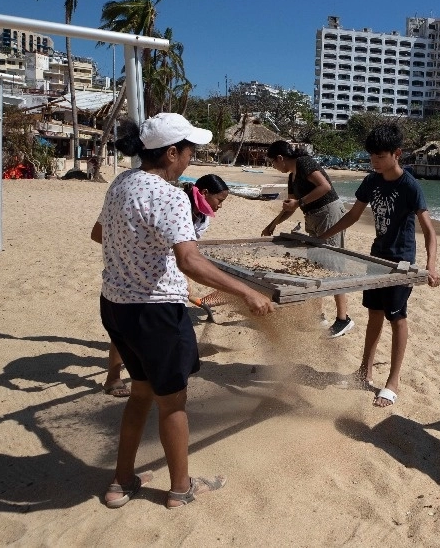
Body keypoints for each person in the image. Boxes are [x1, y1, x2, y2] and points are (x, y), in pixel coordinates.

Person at [91, 113, 274, 509]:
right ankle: (180, 489)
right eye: (191, 149)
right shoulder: (170, 195)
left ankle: (120, 482)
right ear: (172, 152)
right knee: (173, 403)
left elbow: (98, 233)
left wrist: (135, 253)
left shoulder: (122, 183)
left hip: (116, 306)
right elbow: (190, 261)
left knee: (140, 393)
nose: (192, 157)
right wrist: (247, 292)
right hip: (156, 314)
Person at [317, 124, 440, 407]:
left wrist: (431, 266)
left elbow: (429, 231)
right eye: (371, 156)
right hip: (375, 257)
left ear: (397, 154)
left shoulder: (410, 186)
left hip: (401, 262)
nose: (374, 161)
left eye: (380, 156)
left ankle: (393, 381)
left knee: (396, 318)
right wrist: (322, 237)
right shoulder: (371, 181)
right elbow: (352, 216)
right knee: (374, 313)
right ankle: (365, 370)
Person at [102, 173, 231, 398]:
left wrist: (184, 279)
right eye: (219, 200)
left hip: (166, 280)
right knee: (124, 334)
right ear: (205, 193)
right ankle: (113, 378)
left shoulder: (202, 218)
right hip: (140, 278)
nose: (220, 206)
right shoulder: (173, 201)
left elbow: (185, 251)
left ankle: (147, 383)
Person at [260, 140, 354, 338]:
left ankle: (343, 319)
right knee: (317, 264)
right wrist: (273, 224)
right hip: (313, 217)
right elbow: (291, 207)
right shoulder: (291, 177)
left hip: (329, 214)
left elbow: (325, 187)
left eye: (273, 163)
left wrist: (300, 201)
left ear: (280, 158)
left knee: (334, 265)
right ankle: (318, 315)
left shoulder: (304, 162)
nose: (274, 167)